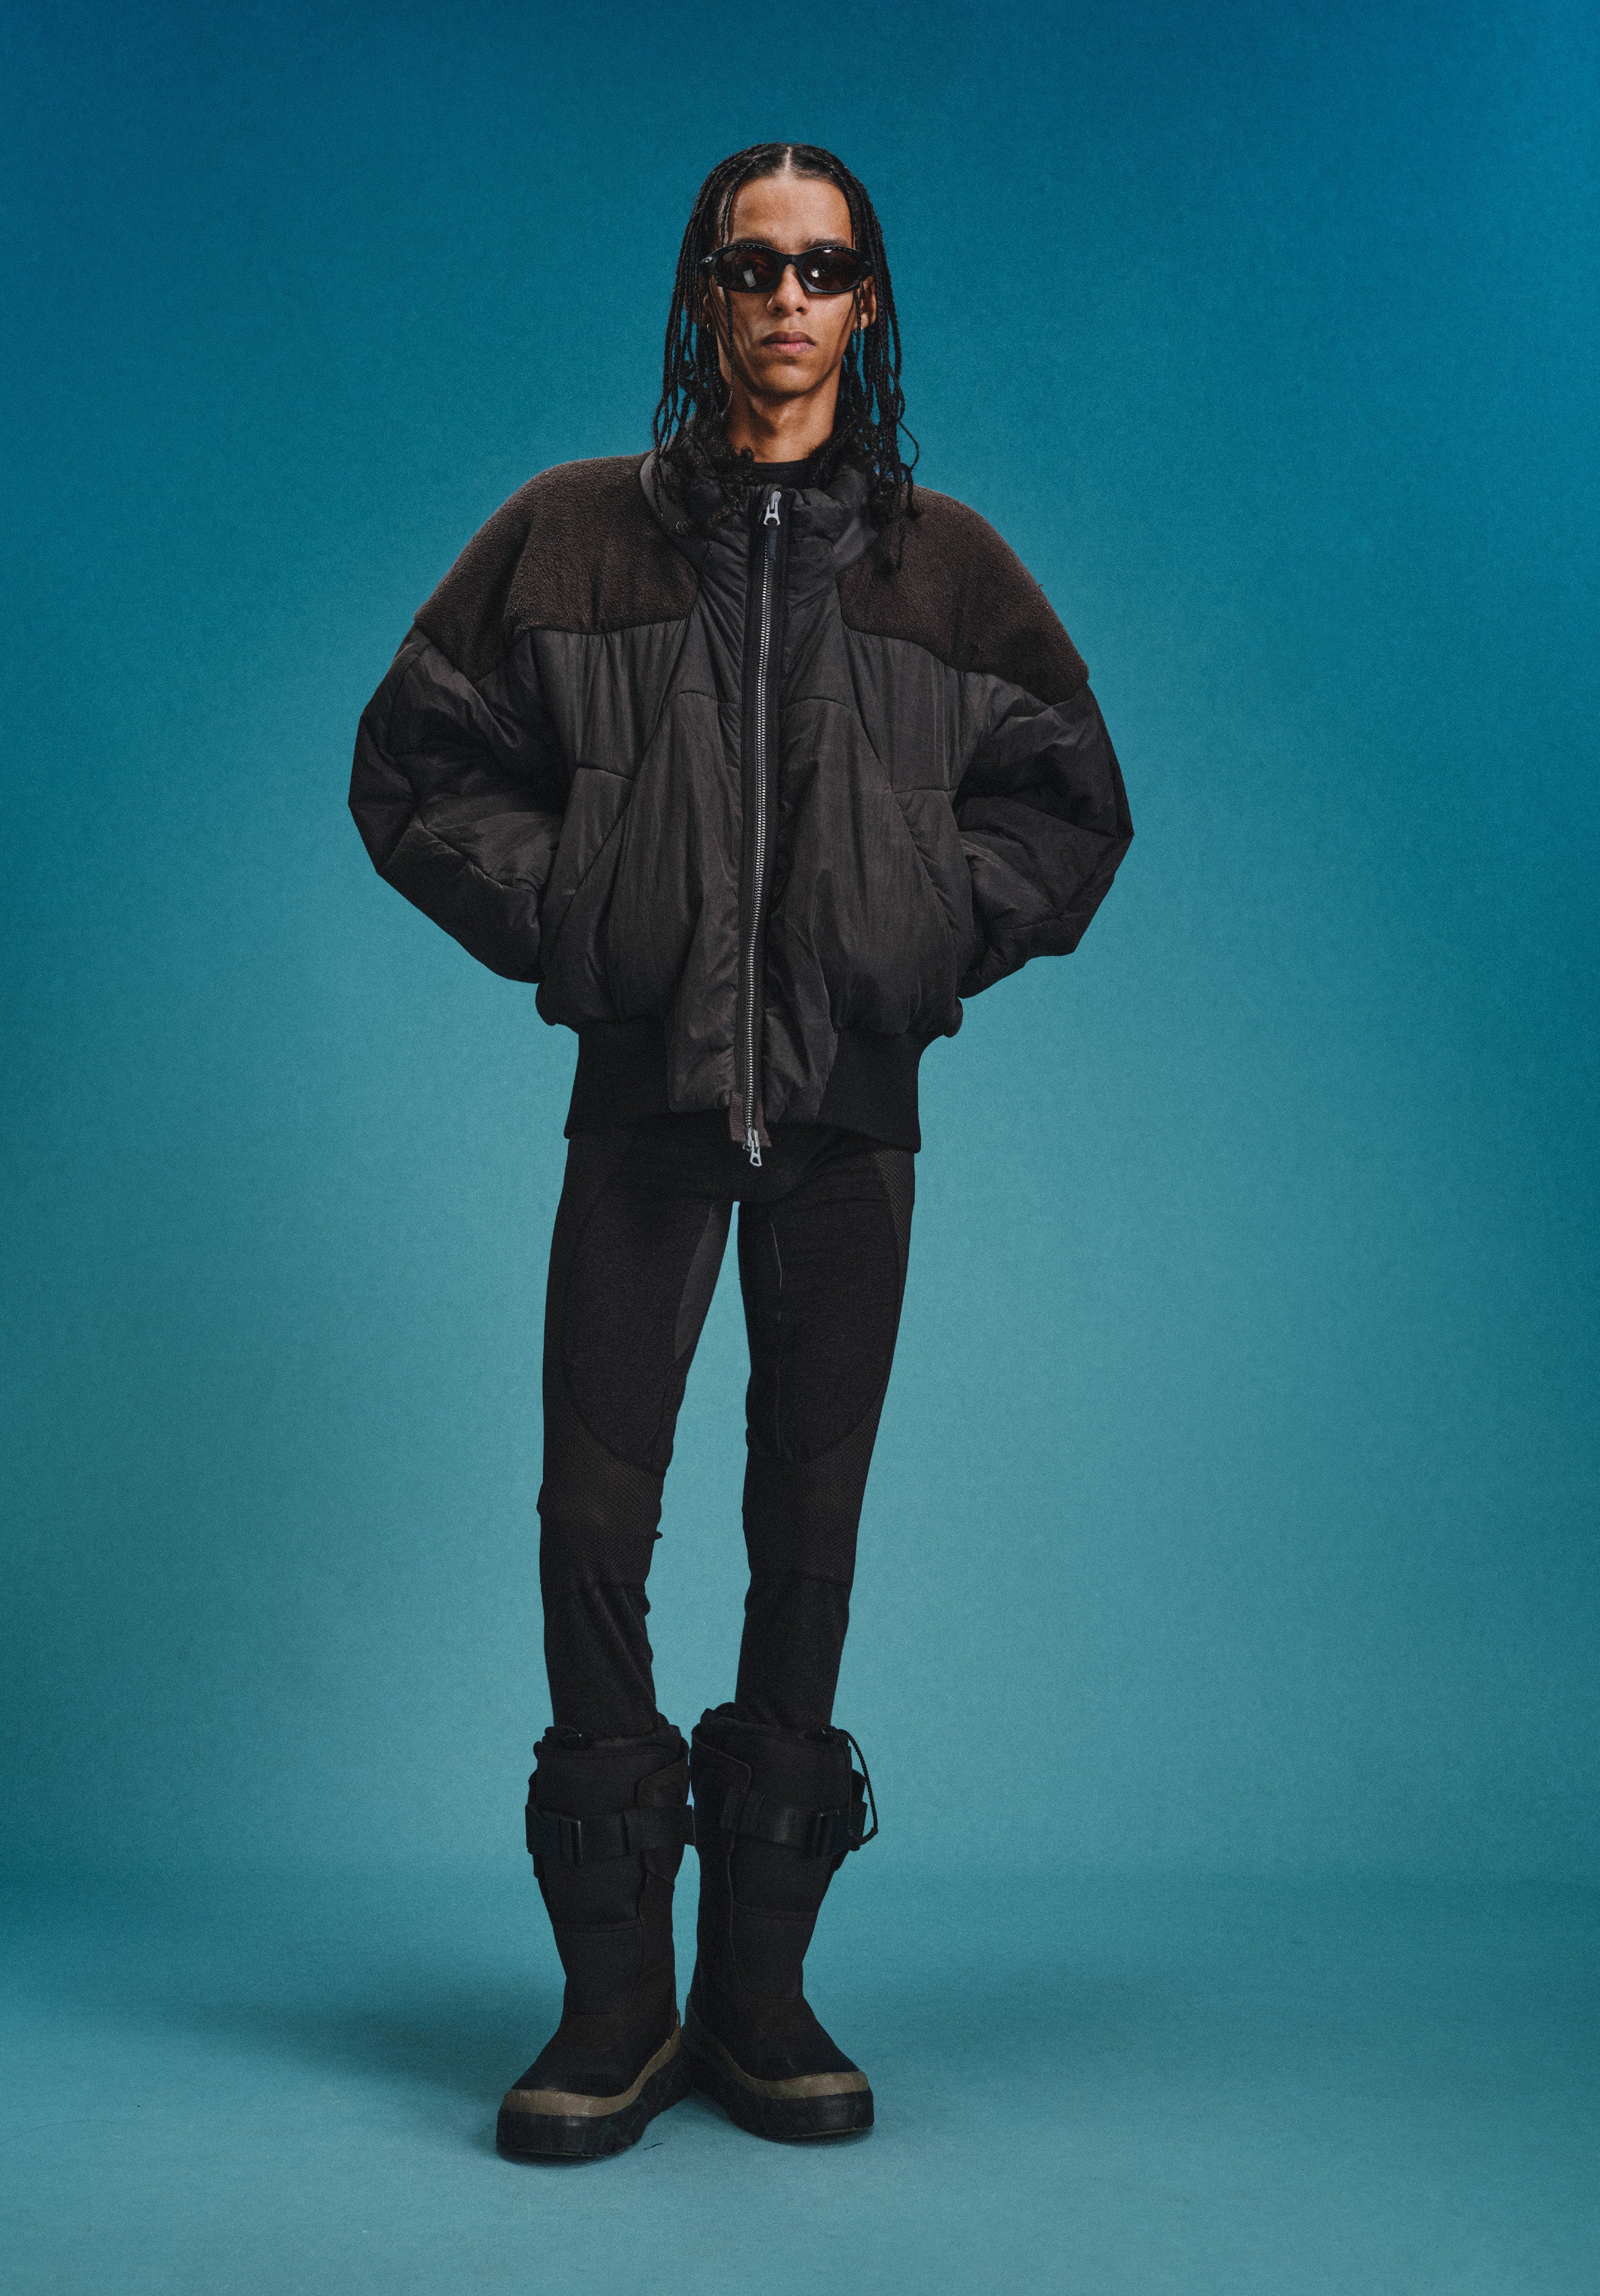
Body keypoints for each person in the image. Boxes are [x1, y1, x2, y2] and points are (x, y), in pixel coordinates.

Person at [350, 141, 1132, 2159]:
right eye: (751, 264)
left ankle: (757, 1992)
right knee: (592, 1526)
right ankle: (616, 2000)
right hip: (647, 1106)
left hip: (850, 1123)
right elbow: (411, 765)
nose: (787, 298)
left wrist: (912, 936)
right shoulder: (569, 537)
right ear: (703, 294)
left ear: (868, 303)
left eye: (824, 266)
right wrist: (582, 914)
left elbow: (1072, 807)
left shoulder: (947, 569)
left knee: (811, 1526)